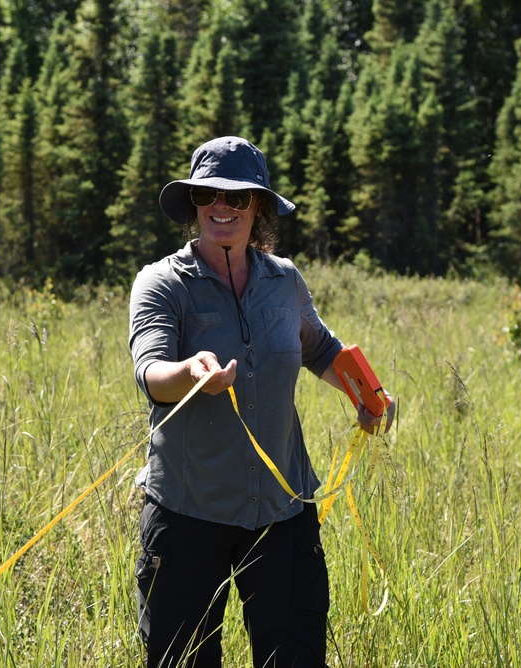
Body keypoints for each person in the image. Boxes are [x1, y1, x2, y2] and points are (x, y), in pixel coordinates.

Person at [128, 136, 395, 668]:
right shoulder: (162, 283)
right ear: (194, 206)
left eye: (237, 198)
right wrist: (191, 371)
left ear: (259, 207)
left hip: (282, 510)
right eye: (208, 196)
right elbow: (151, 373)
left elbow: (320, 348)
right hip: (187, 512)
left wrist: (366, 393)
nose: (221, 207)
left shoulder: (284, 280)